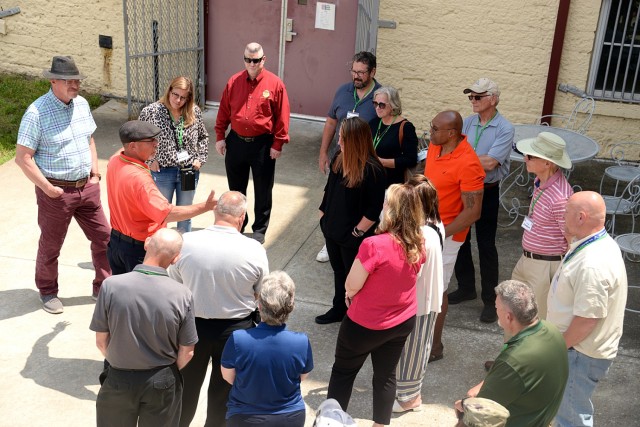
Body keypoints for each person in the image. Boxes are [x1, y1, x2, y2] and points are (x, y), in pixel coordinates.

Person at [15, 55, 111, 314]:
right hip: (56, 192)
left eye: (77, 80)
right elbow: (22, 158)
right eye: (69, 81)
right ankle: (47, 291)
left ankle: (103, 287)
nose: (75, 86)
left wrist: (96, 175)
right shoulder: (36, 113)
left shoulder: (81, 105)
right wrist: (48, 188)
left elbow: (89, 140)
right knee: (52, 244)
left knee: (105, 238)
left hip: (87, 188)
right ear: (53, 81)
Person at [327, 183, 425, 427]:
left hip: (364, 324)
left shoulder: (375, 244)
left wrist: (350, 296)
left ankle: (332, 422)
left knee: (343, 373)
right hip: (402, 321)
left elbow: (352, 284)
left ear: (391, 210)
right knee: (385, 376)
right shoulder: (418, 242)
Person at [168, 191, 269, 427]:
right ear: (242, 217)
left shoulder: (187, 242)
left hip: (191, 329)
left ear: (215, 211)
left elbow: (175, 284)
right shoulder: (254, 249)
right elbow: (261, 291)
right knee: (224, 397)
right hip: (236, 331)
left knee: (184, 390)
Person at [90, 228, 198, 427]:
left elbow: (101, 341)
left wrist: (120, 360)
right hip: (162, 380)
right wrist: (164, 371)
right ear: (176, 259)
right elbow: (188, 352)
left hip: (118, 377)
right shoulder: (182, 294)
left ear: (147, 243)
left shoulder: (111, 286)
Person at [547, 191, 628, 427]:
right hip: (579, 350)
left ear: (581, 217)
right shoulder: (594, 243)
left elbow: (587, 320)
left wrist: (558, 349)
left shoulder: (593, 262)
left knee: (572, 416)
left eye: (566, 212)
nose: (562, 216)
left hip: (579, 353)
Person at [106, 120, 216, 275]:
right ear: (132, 146)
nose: (156, 144)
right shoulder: (140, 180)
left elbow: (120, 150)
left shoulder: (115, 160)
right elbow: (167, 214)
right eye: (150, 141)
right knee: (144, 297)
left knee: (122, 295)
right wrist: (206, 206)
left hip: (116, 244)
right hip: (138, 251)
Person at [456, 280, 569, 427]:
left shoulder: (513, 361)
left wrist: (464, 405)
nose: (496, 312)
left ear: (509, 317)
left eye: (496, 308)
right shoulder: (552, 332)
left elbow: (478, 415)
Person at [451, 78, 514, 324]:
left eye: (478, 97)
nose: (473, 101)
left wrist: (462, 160)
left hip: (487, 190)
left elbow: (491, 162)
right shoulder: (467, 122)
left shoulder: (505, 128)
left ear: (493, 99)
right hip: (464, 189)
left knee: (486, 245)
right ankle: (466, 287)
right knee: (461, 239)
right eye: (471, 97)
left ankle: (490, 300)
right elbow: (458, 151)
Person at [214, 42, 290, 244]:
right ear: (244, 59)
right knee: (236, 190)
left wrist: (277, 144)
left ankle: (259, 229)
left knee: (263, 189)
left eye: (256, 60)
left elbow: (282, 117)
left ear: (263, 59)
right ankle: (239, 224)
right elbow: (223, 111)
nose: (252, 63)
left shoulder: (275, 84)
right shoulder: (233, 81)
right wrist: (220, 136)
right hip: (236, 142)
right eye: (248, 59)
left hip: (262, 145)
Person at [424, 110, 485, 361]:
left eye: (435, 128)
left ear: (451, 133)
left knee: (437, 291)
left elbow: (473, 212)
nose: (430, 131)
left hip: (446, 237)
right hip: (426, 227)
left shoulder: (469, 163)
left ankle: (435, 347)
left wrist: (439, 234)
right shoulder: (435, 146)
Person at [316, 117, 386, 324]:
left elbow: (375, 208)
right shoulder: (339, 157)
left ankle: (356, 315)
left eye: (343, 138)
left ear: (356, 140)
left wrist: (357, 232)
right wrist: (323, 217)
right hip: (331, 229)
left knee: (353, 277)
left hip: (353, 236)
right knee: (338, 273)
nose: (339, 142)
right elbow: (329, 190)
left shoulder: (373, 170)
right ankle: (339, 308)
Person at [221, 271, 313, 427]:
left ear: (260, 305)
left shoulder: (238, 339)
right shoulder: (302, 341)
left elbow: (228, 377)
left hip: (245, 416)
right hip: (290, 417)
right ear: (291, 306)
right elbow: (303, 376)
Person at [316, 51, 381, 263]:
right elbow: (331, 122)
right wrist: (324, 152)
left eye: (362, 72)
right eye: (353, 71)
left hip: (363, 163)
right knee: (335, 198)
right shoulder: (342, 91)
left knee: (356, 204)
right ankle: (330, 241)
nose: (356, 76)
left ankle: (355, 240)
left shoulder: (380, 97)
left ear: (373, 72)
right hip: (342, 157)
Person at [392, 175, 444, 413]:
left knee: (414, 349)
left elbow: (413, 268)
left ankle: (408, 399)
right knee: (417, 347)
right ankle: (409, 393)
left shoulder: (422, 233)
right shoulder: (436, 223)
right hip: (426, 298)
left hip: (420, 300)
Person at [512, 132, 573, 319]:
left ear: (547, 163)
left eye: (530, 156)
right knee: (514, 311)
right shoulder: (540, 181)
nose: (525, 158)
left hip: (545, 266)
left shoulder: (560, 198)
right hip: (527, 259)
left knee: (537, 319)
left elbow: (571, 238)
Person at [139, 76, 209, 233]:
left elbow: (203, 137)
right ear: (169, 90)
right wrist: (150, 160)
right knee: (160, 214)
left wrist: (200, 158)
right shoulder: (151, 111)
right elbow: (140, 138)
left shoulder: (193, 112)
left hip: (189, 170)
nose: (178, 100)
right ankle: (159, 251)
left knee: (185, 214)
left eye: (183, 97)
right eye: (175, 95)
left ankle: (182, 252)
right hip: (163, 171)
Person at [369, 86, 418, 185]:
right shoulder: (373, 123)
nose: (377, 108)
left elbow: (411, 159)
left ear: (393, 105)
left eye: (381, 105)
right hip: (371, 179)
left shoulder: (406, 127)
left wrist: (382, 162)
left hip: (392, 184)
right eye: (375, 104)